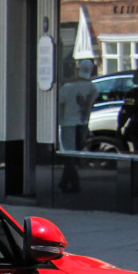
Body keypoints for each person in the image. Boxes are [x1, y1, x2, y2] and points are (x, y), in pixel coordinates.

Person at [57, 59, 100, 193]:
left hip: (68, 122)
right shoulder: (93, 87)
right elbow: (91, 103)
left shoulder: (67, 87)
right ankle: (64, 182)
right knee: (74, 154)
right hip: (83, 123)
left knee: (69, 154)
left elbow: (61, 106)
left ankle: (75, 183)